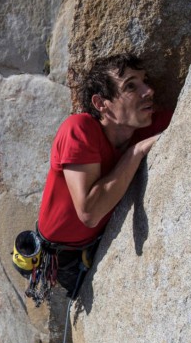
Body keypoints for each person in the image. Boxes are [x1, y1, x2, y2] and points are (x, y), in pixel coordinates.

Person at [35, 53, 173, 297]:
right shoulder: (79, 129)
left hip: (95, 243)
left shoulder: (148, 125)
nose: (148, 91)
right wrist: (136, 152)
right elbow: (89, 212)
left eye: (145, 81)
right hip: (60, 257)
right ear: (101, 104)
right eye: (131, 86)